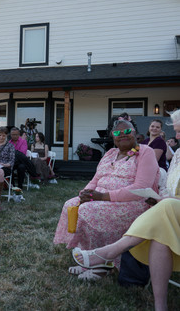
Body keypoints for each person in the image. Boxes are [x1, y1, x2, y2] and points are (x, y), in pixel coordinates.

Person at [72, 108, 180, 311]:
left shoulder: (146, 150)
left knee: (162, 208)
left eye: (179, 131)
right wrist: (161, 197)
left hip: (163, 207)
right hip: (169, 209)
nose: (176, 137)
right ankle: (160, 305)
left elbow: (143, 184)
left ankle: (105, 256)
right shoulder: (179, 155)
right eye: (176, 131)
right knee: (160, 228)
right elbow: (169, 185)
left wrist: (163, 199)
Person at [53, 119, 160, 269]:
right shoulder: (110, 153)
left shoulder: (145, 152)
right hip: (99, 198)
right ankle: (87, 254)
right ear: (112, 136)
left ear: (135, 133)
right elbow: (96, 179)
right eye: (117, 132)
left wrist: (102, 197)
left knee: (87, 211)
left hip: (134, 202)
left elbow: (141, 188)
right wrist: (84, 193)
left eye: (127, 131)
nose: (122, 135)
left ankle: (101, 262)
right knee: (71, 204)